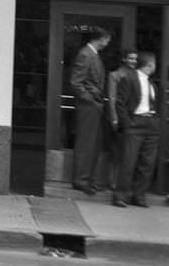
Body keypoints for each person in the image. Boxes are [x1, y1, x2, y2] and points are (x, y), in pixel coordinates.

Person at [107, 49, 159, 208]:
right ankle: (120, 196)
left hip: (150, 124)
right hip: (134, 123)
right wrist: (127, 123)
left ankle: (139, 195)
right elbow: (120, 102)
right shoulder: (129, 78)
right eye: (155, 64)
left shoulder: (152, 83)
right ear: (150, 64)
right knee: (128, 162)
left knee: (147, 163)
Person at [68, 26, 111, 195]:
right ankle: (81, 180)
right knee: (86, 143)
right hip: (88, 106)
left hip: (92, 105)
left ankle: (87, 179)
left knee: (92, 143)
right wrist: (91, 100)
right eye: (107, 40)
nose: (107, 43)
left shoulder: (91, 54)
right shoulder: (86, 54)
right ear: (101, 38)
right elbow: (75, 82)